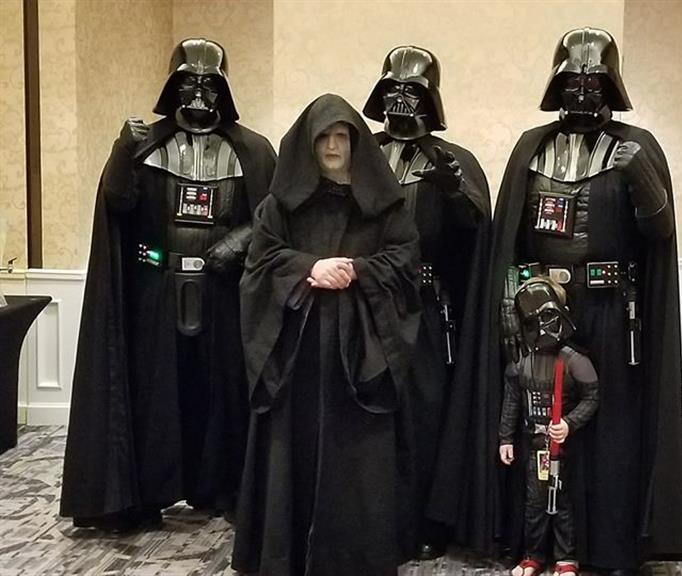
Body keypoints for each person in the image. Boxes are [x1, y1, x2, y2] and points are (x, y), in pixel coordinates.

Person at [488, 28, 682, 574]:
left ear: (610, 86)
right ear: (556, 86)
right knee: (539, 423)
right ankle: (538, 544)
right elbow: (510, 242)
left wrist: (640, 175)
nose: (581, 92)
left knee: (608, 425)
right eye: (572, 83)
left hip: (609, 311)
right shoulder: (532, 148)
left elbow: (660, 233)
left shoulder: (637, 146)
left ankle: (606, 544)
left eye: (593, 82)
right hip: (539, 309)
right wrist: (510, 305)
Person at [60, 38, 276, 530]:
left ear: (224, 89)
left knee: (222, 396)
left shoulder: (254, 150)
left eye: (208, 84)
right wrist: (122, 152)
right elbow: (118, 204)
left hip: (224, 295)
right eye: (188, 83)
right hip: (156, 293)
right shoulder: (146, 146)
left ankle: (222, 488)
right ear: (172, 86)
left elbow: (274, 214)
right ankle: (148, 493)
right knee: (155, 396)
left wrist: (239, 242)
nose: (198, 93)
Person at [231, 93, 420, 576]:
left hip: (360, 353)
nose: (333, 146)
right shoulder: (280, 206)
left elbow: (404, 262)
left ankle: (356, 557)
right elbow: (259, 263)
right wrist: (309, 267)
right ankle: (286, 554)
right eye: (324, 138)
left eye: (341, 137)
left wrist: (356, 270)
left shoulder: (386, 206)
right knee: (291, 451)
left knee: (357, 458)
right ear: (309, 144)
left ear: (356, 143)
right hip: (298, 354)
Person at [362, 45, 491, 560]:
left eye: (412, 91)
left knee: (423, 414)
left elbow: (477, 234)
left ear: (431, 98)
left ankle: (424, 520)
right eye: (392, 89)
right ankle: (368, 517)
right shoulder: (360, 151)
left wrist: (454, 191)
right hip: (364, 303)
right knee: (366, 411)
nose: (401, 99)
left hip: (425, 308)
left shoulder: (452, 159)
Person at [499, 277, 599, 576]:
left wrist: (569, 423)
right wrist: (505, 438)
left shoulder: (575, 361)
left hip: (567, 447)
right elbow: (512, 401)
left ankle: (566, 558)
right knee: (534, 504)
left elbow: (593, 397)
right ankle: (533, 555)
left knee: (564, 503)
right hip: (535, 447)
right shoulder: (521, 362)